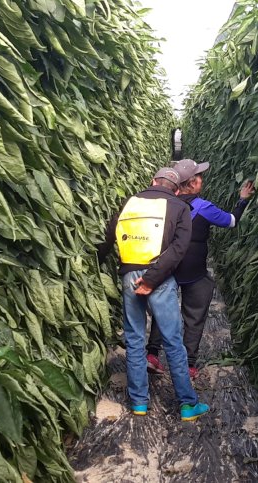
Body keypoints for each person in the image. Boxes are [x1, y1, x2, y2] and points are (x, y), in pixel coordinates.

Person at [98, 165, 210, 421]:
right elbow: (179, 249)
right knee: (173, 341)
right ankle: (187, 404)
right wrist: (151, 279)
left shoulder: (130, 203)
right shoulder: (180, 207)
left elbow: (109, 237)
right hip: (160, 278)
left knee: (135, 339)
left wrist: (97, 260)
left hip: (129, 275)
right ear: (177, 189)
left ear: (153, 181)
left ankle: (139, 403)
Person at [146, 159, 254, 380]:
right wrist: (242, 200)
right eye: (200, 177)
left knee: (162, 309)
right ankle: (188, 365)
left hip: (167, 266)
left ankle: (152, 354)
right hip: (194, 270)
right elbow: (232, 221)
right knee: (194, 315)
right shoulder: (204, 207)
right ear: (193, 183)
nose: (202, 180)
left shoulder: (164, 203)